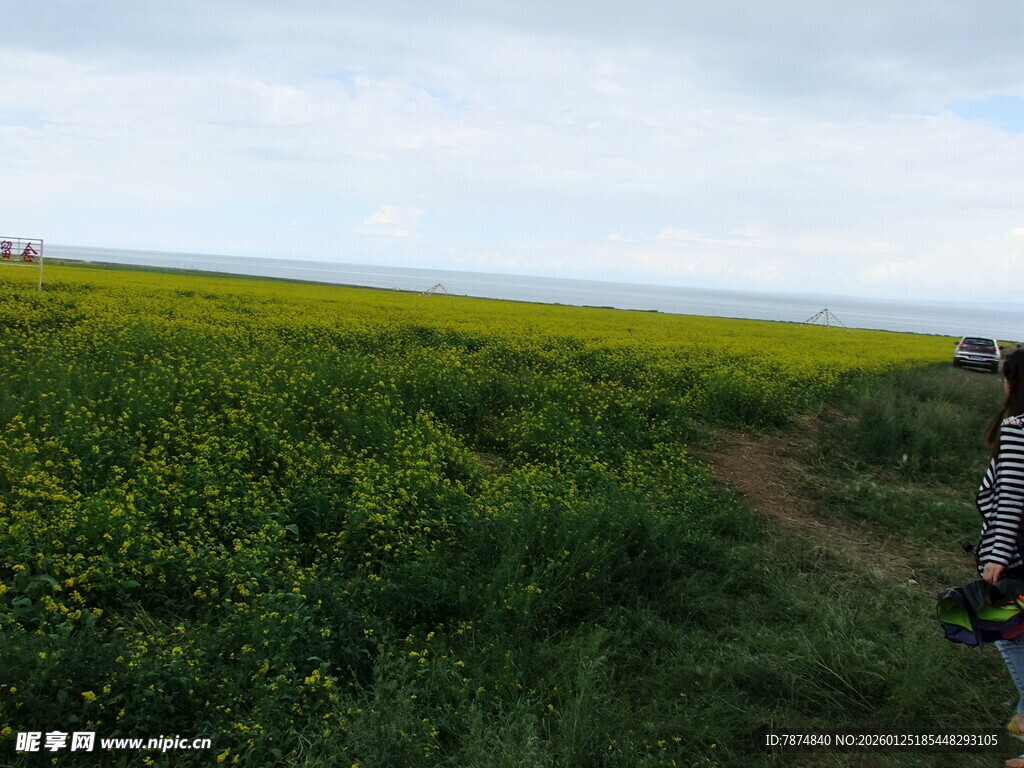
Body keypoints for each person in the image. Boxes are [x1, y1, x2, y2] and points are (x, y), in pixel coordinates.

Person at [976, 349, 1024, 767]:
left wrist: (997, 554)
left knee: (1007, 634)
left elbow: (1011, 497)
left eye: (1005, 377)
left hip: (1016, 559)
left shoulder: (1017, 428)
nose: (1002, 384)